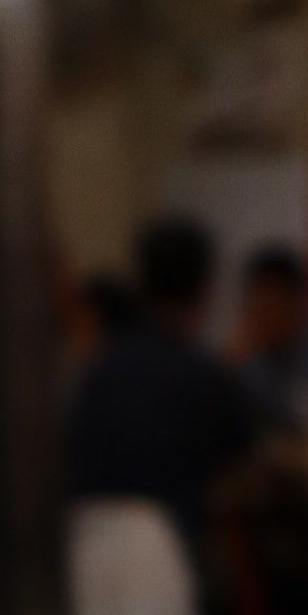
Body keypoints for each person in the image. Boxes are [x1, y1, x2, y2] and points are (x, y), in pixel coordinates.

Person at [67, 216, 258, 578]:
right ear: (205, 289)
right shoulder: (205, 376)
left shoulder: (98, 374)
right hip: (176, 568)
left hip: (92, 568)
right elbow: (243, 468)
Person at [234, 245, 308, 440]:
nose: (261, 316)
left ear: (298, 304)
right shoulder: (253, 362)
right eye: (255, 305)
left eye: (270, 306)